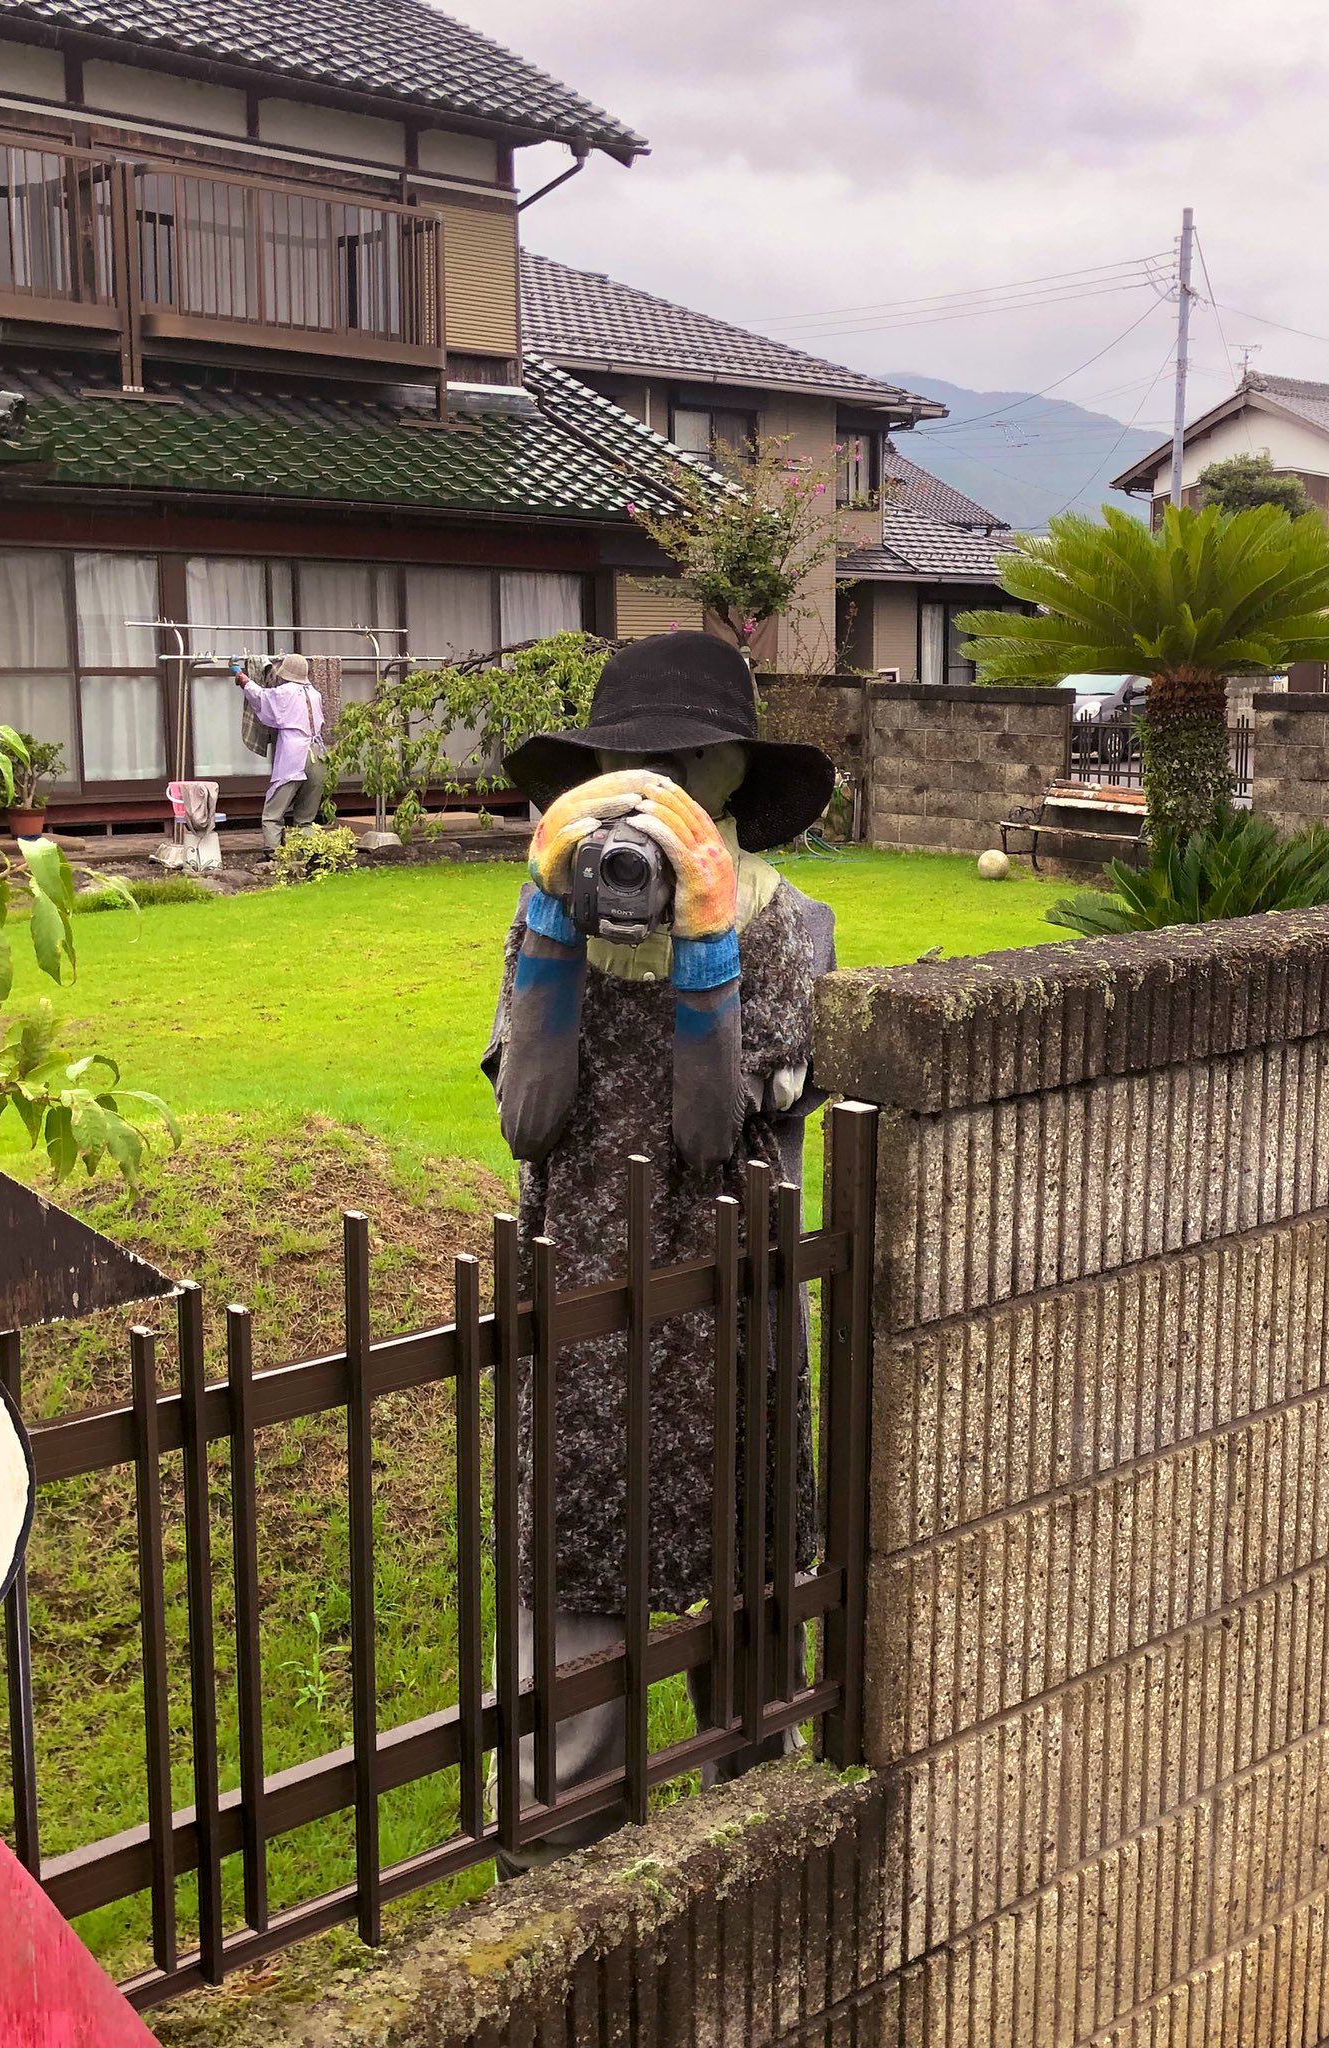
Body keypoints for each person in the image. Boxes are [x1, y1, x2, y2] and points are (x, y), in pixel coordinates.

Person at [481, 631, 837, 1864]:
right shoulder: (545, 918)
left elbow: (704, 1133)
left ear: (736, 773)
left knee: (742, 1580)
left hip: (723, 1295)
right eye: (631, 762)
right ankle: (554, 1850)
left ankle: (758, 1832)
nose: (662, 784)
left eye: (689, 757)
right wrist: (550, 937)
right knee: (574, 1567)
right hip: (580, 1293)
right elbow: (527, 1116)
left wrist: (702, 951)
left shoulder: (795, 923)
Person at [234, 652, 327, 854]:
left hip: (295, 756)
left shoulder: (285, 692)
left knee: (273, 813)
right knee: (305, 819)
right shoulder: (315, 694)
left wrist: (242, 678)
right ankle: (308, 855)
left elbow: (261, 698)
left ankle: (272, 856)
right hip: (318, 755)